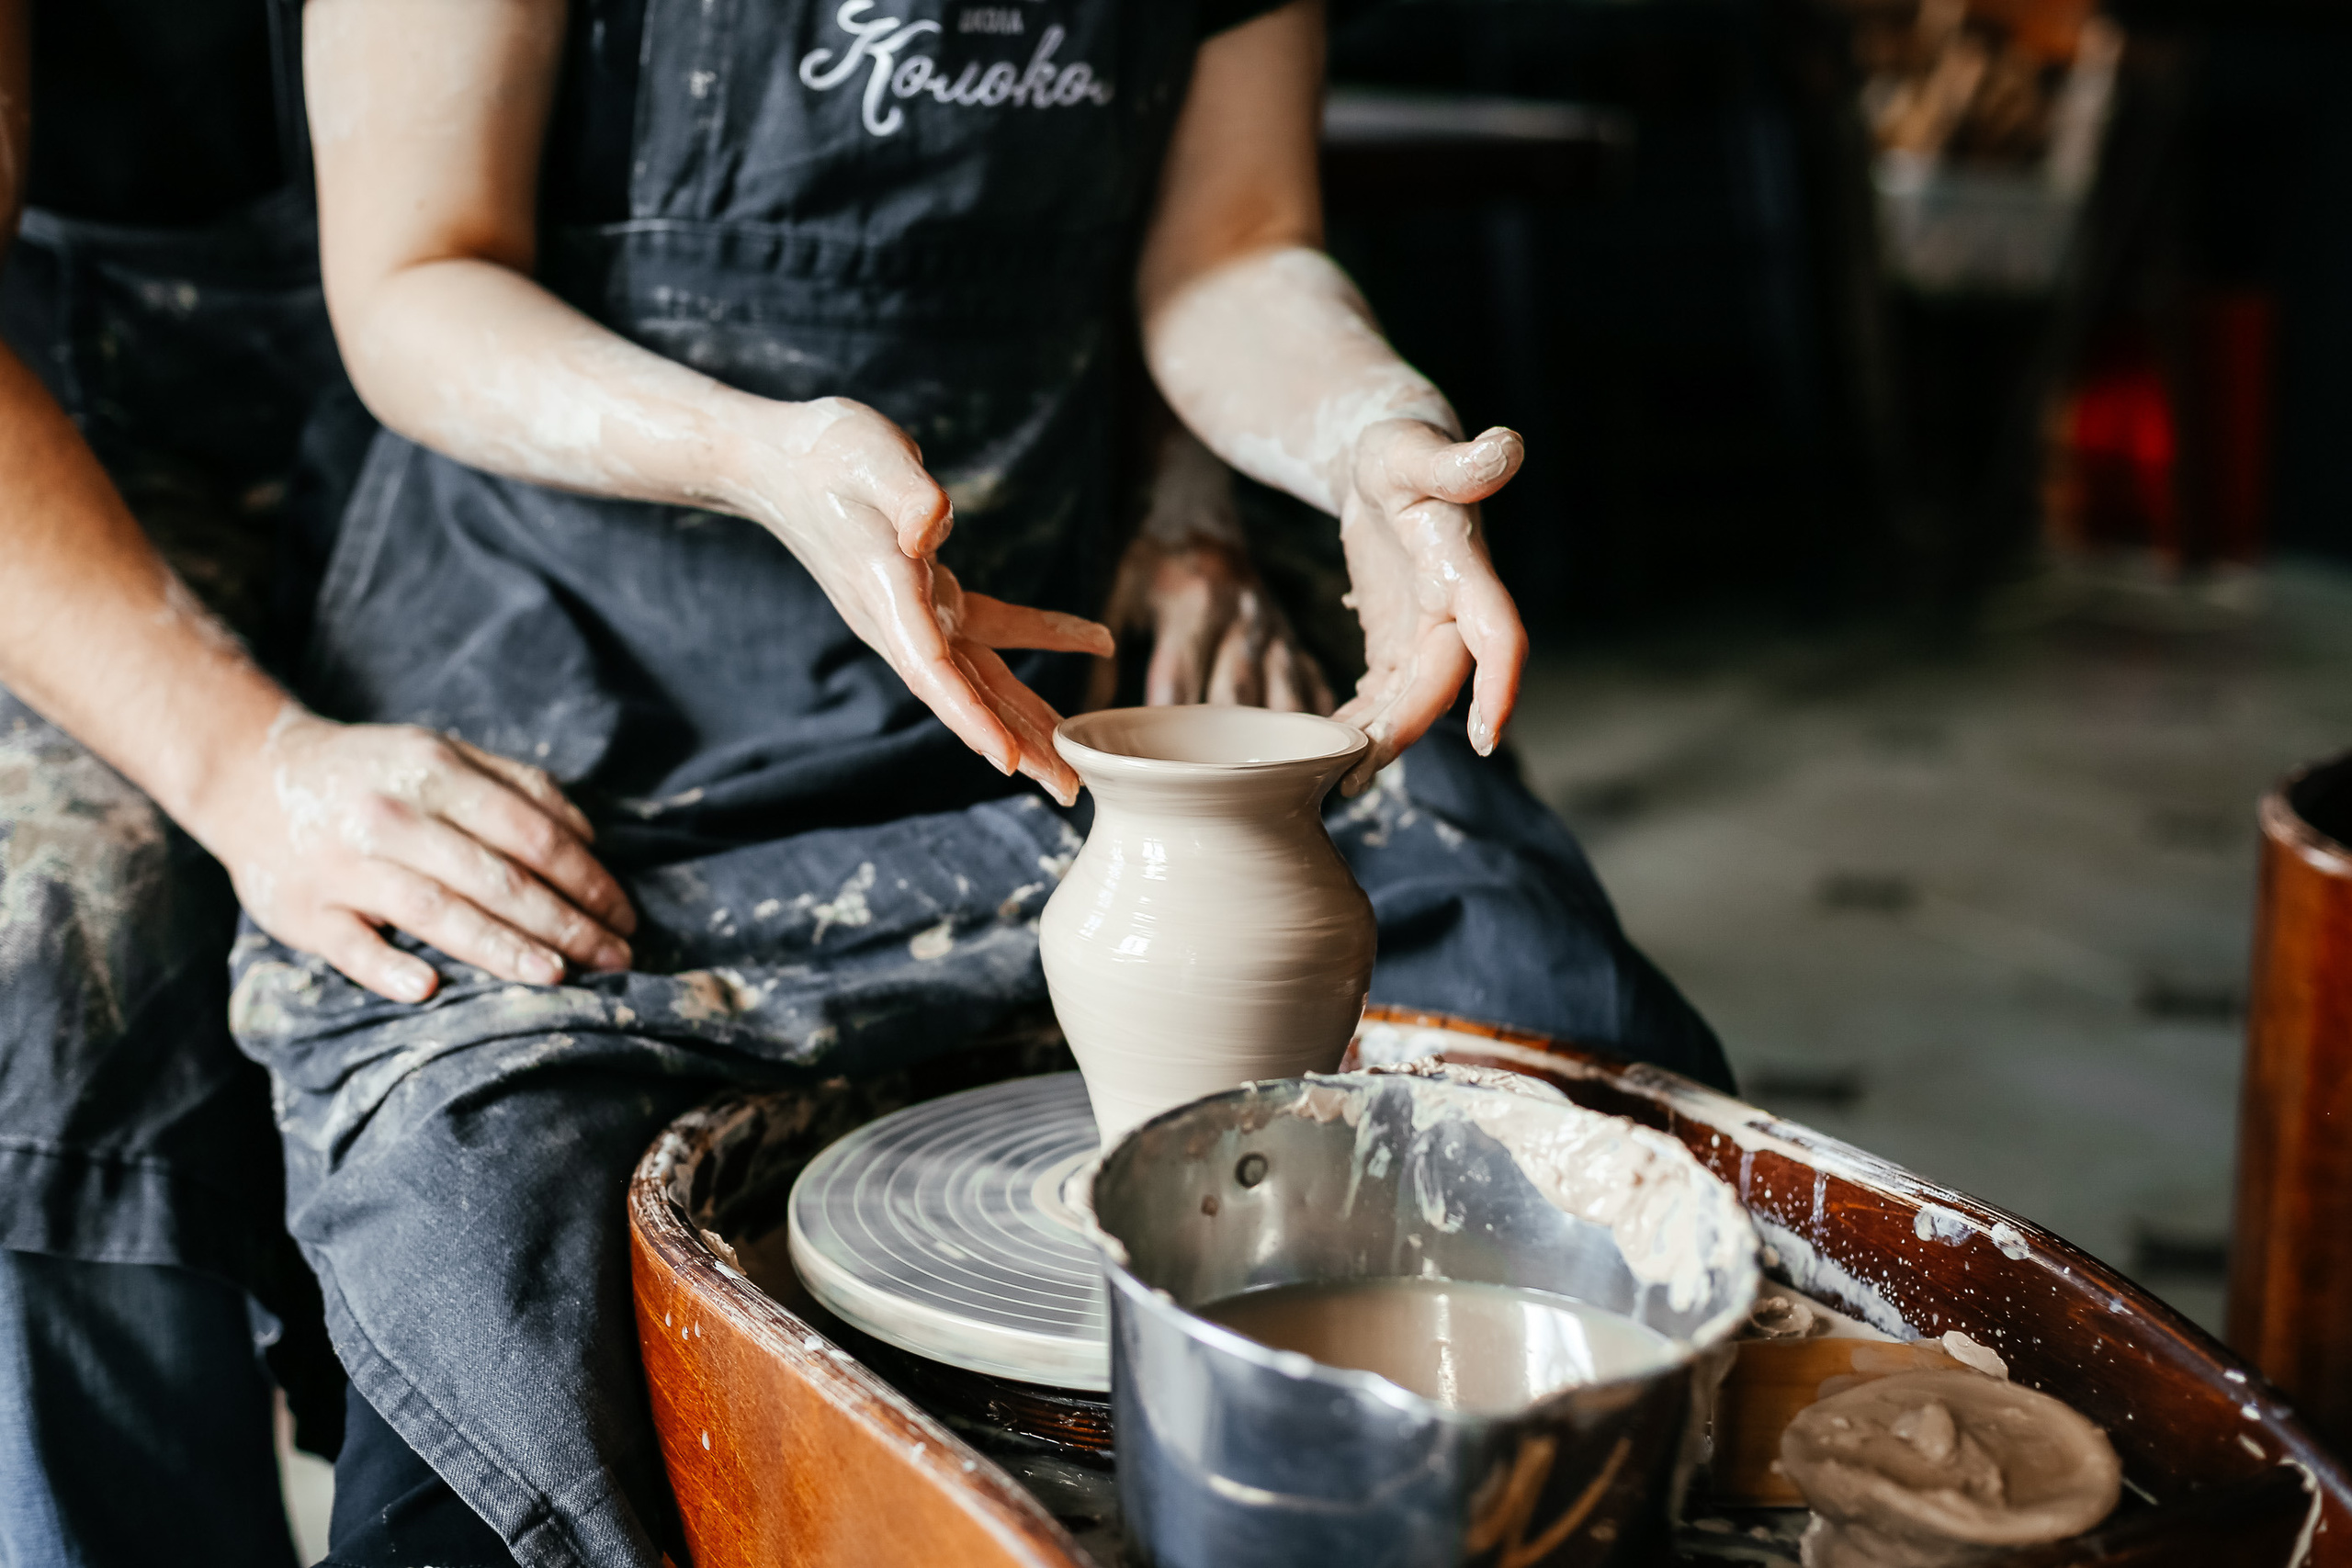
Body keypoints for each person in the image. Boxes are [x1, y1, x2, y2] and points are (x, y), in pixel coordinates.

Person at [241, 0, 1736, 1562]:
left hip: (1052, 646)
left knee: (1565, 1049)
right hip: (595, 677)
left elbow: (1230, 252)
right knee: (497, 1264)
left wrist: (1363, 429)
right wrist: (762, 459)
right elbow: (418, 278)